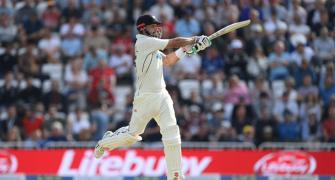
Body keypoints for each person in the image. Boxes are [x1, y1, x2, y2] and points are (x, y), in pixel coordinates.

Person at [93, 14, 211, 180]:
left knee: (172, 134)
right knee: (131, 136)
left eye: (158, 26)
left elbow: (169, 60)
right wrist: (195, 39)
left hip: (162, 95)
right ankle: (105, 142)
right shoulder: (143, 42)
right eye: (153, 26)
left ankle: (176, 176)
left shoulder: (153, 48)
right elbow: (173, 42)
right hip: (145, 99)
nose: (157, 29)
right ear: (142, 28)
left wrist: (188, 49)